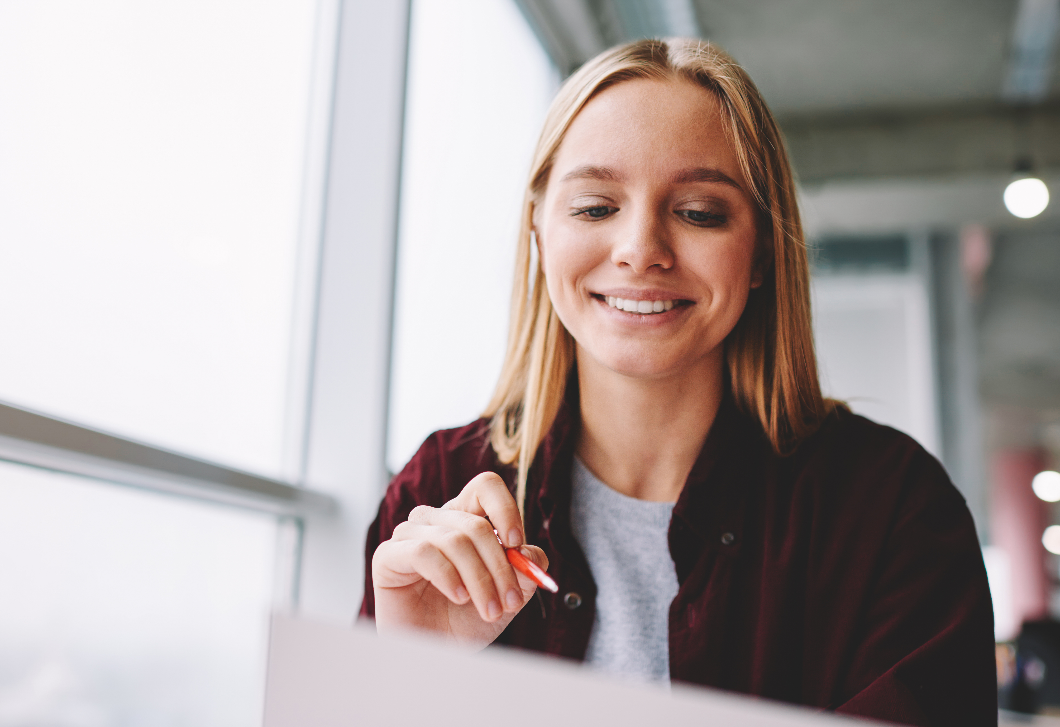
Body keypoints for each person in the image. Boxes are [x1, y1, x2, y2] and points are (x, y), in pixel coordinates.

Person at [359, 38, 996, 725]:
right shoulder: (439, 490)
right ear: (539, 234)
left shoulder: (892, 512)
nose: (640, 250)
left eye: (699, 212)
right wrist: (411, 678)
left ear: (760, 251)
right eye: (596, 207)